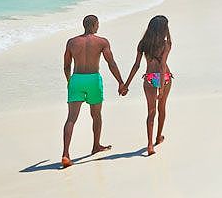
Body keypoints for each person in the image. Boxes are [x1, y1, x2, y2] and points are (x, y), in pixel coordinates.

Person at [61, 15, 124, 168]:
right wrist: (121, 82)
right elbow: (111, 63)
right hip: (93, 80)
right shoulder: (102, 42)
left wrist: (69, 81)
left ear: (84, 25)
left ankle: (65, 154)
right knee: (96, 115)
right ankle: (96, 145)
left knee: (71, 118)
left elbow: (66, 66)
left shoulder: (72, 42)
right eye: (97, 24)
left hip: (77, 79)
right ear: (95, 25)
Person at [120, 14, 175, 155]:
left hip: (150, 77)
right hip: (165, 77)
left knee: (151, 111)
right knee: (161, 108)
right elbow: (162, 66)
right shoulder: (166, 44)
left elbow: (136, 65)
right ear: (164, 29)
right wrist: (161, 87)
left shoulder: (143, 43)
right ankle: (158, 136)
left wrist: (126, 85)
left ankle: (150, 145)